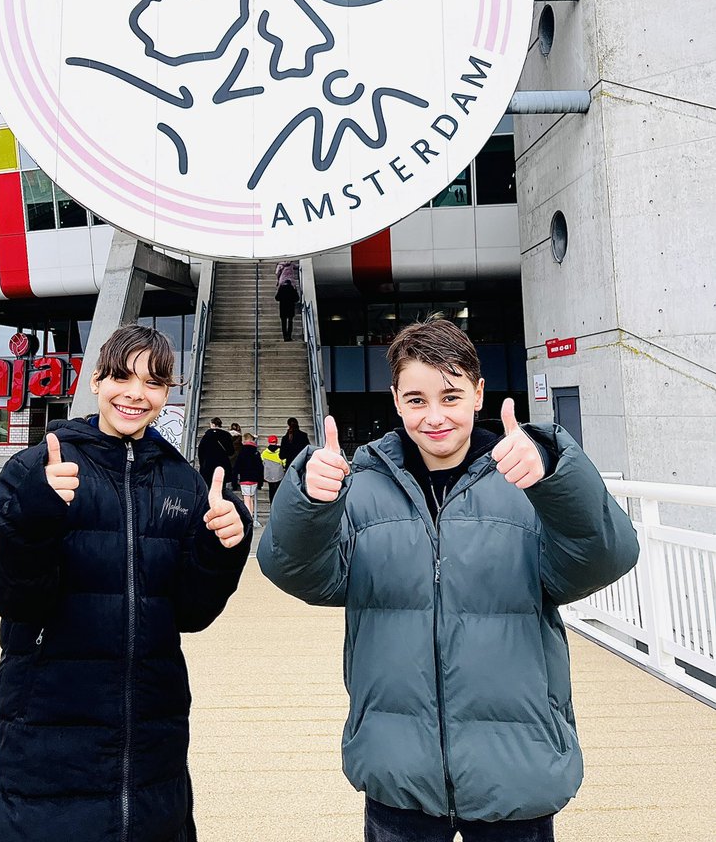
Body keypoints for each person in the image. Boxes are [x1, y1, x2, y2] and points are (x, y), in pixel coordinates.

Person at [258, 316, 640, 842]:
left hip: (515, 771)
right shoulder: (363, 488)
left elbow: (604, 558)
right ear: (395, 400)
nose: (434, 416)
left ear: (478, 395)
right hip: (400, 772)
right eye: (416, 400)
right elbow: (299, 572)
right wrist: (307, 500)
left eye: (451, 396)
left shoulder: (525, 481)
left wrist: (556, 476)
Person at [0, 324, 252, 842]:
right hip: (46, 724)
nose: (135, 394)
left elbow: (192, 614)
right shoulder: (37, 467)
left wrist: (222, 547)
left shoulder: (182, 480)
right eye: (122, 377)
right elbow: (15, 598)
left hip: (153, 738)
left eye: (152, 383)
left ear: (167, 393)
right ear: (98, 380)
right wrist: (34, 513)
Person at [233, 431, 265, 525]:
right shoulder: (256, 452)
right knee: (251, 498)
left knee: (246, 498)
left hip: (245, 478)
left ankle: (248, 518)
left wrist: (235, 481)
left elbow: (237, 467)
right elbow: (260, 467)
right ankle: (251, 516)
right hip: (254, 479)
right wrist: (261, 481)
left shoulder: (241, 452)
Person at [197, 415, 234, 487]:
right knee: (221, 487)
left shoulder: (207, 436)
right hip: (222, 464)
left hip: (208, 465)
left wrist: (202, 464)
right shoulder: (226, 435)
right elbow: (231, 451)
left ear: (213, 424)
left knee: (208, 485)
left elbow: (200, 451)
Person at [275, 259, 300, 341]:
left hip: (282, 308)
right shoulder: (292, 289)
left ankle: (285, 336)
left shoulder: (281, 288)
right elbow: (297, 298)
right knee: (290, 322)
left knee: (283, 322)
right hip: (290, 307)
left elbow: (277, 298)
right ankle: (289, 336)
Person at [261, 434, 286, 502]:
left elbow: (262, 462)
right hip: (279, 474)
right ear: (276, 442)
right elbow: (284, 462)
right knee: (278, 489)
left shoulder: (264, 453)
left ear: (268, 442)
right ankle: (278, 502)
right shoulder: (280, 452)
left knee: (271, 489)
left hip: (269, 474)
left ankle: (272, 503)